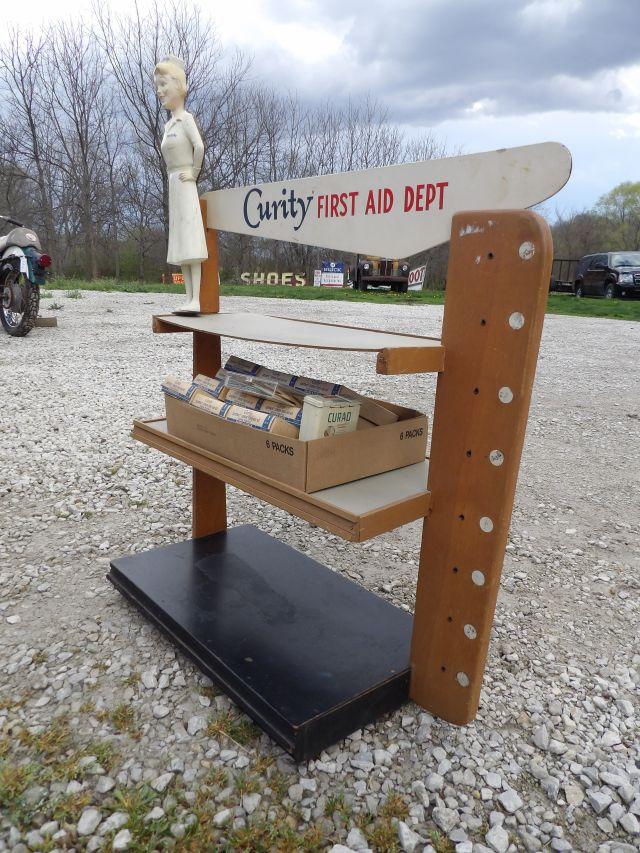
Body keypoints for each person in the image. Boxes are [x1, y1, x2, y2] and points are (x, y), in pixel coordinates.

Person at [154, 55, 208, 314]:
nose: (160, 91)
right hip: (174, 181)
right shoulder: (168, 125)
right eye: (158, 86)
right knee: (181, 242)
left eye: (164, 84)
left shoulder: (186, 119)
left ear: (177, 84)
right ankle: (188, 297)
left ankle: (196, 297)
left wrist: (194, 172)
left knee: (191, 239)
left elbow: (199, 146)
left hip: (185, 180)